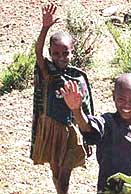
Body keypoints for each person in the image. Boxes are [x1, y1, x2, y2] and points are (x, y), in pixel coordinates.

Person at [60, 73, 131, 193]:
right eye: (121, 99)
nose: (127, 105)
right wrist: (77, 110)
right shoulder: (108, 123)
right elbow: (89, 128)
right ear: (113, 96)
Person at [30, 3, 94, 194]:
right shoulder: (48, 73)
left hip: (70, 130)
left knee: (65, 174)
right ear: (51, 53)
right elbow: (38, 53)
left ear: (72, 52)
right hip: (50, 128)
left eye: (65, 53)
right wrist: (45, 27)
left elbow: (87, 108)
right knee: (55, 170)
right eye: (56, 53)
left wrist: (88, 135)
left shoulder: (78, 77)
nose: (61, 57)